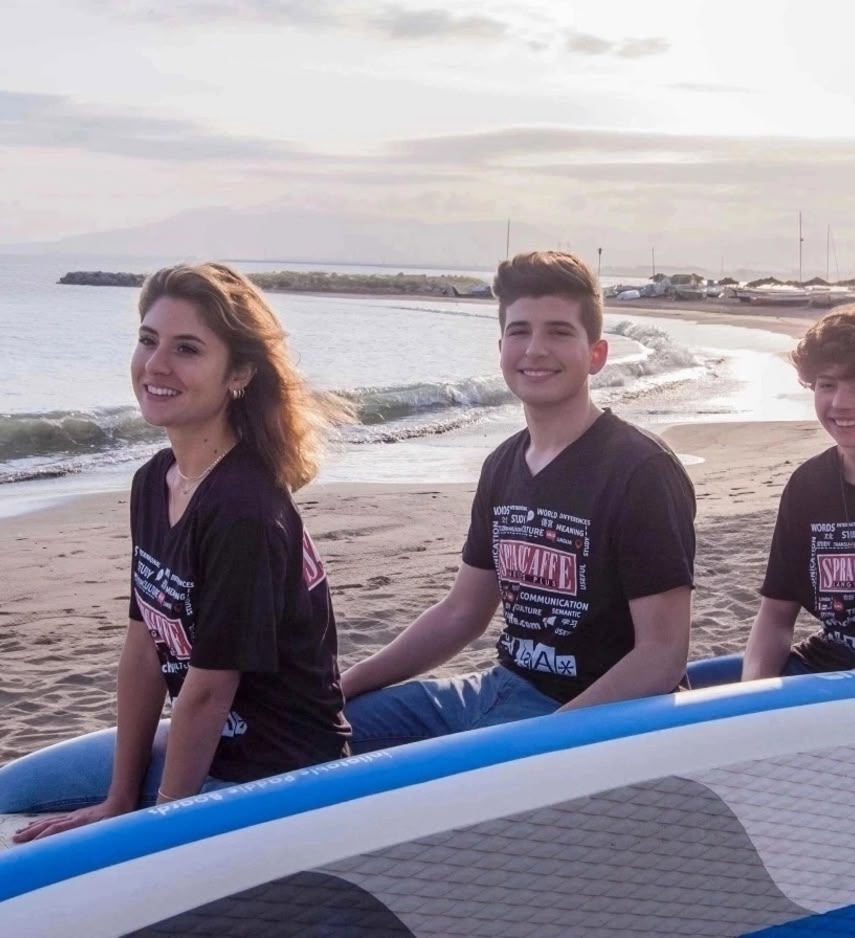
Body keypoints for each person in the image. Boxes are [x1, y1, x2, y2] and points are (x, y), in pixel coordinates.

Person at [0, 262, 351, 841]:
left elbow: (209, 692)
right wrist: (118, 796)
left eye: (186, 349)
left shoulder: (244, 509)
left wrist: (158, 828)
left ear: (239, 372)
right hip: (205, 743)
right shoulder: (153, 480)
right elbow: (145, 646)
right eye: (148, 340)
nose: (156, 365)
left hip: (276, 771)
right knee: (13, 792)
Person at [342, 250, 696, 752]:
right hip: (498, 689)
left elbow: (661, 656)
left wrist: (540, 746)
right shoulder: (502, 465)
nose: (535, 349)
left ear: (597, 355)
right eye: (519, 331)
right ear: (501, 348)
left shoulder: (641, 471)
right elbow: (462, 612)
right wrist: (346, 686)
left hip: (587, 715)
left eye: (559, 332)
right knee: (332, 727)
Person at [743, 306, 855, 680]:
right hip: (826, 672)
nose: (841, 403)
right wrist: (752, 697)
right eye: (827, 384)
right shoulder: (808, 487)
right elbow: (775, 616)